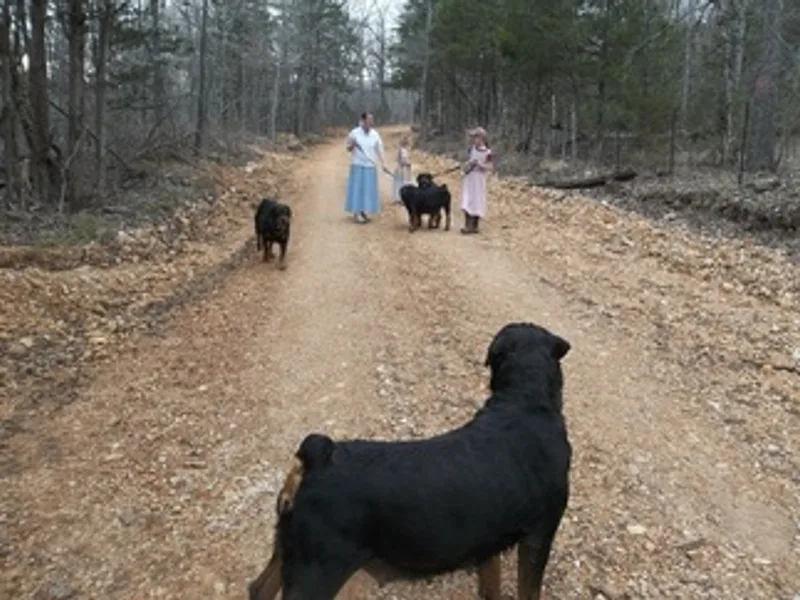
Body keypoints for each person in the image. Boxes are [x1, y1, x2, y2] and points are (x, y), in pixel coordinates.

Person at [345, 112, 391, 224]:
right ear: (363, 121)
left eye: (372, 120)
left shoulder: (375, 134)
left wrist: (384, 163)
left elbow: (379, 149)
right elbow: (348, 148)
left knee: (368, 190)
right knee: (358, 189)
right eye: (369, 120)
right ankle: (357, 212)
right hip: (358, 164)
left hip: (370, 166)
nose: (371, 122)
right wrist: (352, 145)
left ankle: (363, 211)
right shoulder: (354, 133)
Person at [460, 126, 493, 234]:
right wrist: (466, 166)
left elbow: (489, 167)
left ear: (482, 138)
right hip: (470, 178)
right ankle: (467, 224)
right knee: (468, 199)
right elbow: (468, 161)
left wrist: (479, 165)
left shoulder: (488, 153)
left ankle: (474, 225)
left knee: (477, 200)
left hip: (479, 179)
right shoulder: (472, 149)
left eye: (476, 137)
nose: (474, 140)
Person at [391, 136, 412, 204]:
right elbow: (402, 160)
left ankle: (399, 198)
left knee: (400, 183)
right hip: (402, 169)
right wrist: (408, 164)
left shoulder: (402, 150)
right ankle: (401, 199)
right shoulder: (403, 150)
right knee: (402, 183)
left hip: (401, 168)